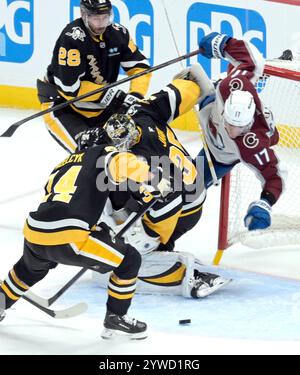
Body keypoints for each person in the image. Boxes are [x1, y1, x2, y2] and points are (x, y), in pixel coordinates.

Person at [0, 133, 173, 339]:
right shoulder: (103, 153)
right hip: (69, 235)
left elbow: (66, 199)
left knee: (28, 271)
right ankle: (116, 320)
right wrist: (153, 179)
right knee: (130, 260)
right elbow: (123, 164)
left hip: (35, 230)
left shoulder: (62, 165)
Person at [77, 69, 231, 298]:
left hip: (183, 205)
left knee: (127, 252)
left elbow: (167, 202)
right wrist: (191, 83)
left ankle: (178, 273)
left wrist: (152, 240)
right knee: (128, 204)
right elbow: (177, 93)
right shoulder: (142, 112)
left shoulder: (140, 165)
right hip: (191, 192)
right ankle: (155, 248)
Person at [195, 33, 284, 232]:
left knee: (189, 191)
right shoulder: (231, 86)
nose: (232, 130)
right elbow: (252, 59)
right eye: (230, 122)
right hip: (210, 106)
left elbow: (275, 177)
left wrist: (264, 204)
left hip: (218, 156)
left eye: (239, 127)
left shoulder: (252, 144)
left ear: (250, 122)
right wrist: (223, 43)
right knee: (185, 81)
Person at [37, 0, 152, 153]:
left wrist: (136, 95)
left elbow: (140, 67)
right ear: (83, 15)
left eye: (105, 17)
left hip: (100, 107)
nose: (101, 24)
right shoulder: (72, 38)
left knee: (129, 149)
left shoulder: (118, 34)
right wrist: (114, 96)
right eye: (96, 18)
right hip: (63, 107)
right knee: (90, 154)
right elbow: (70, 89)